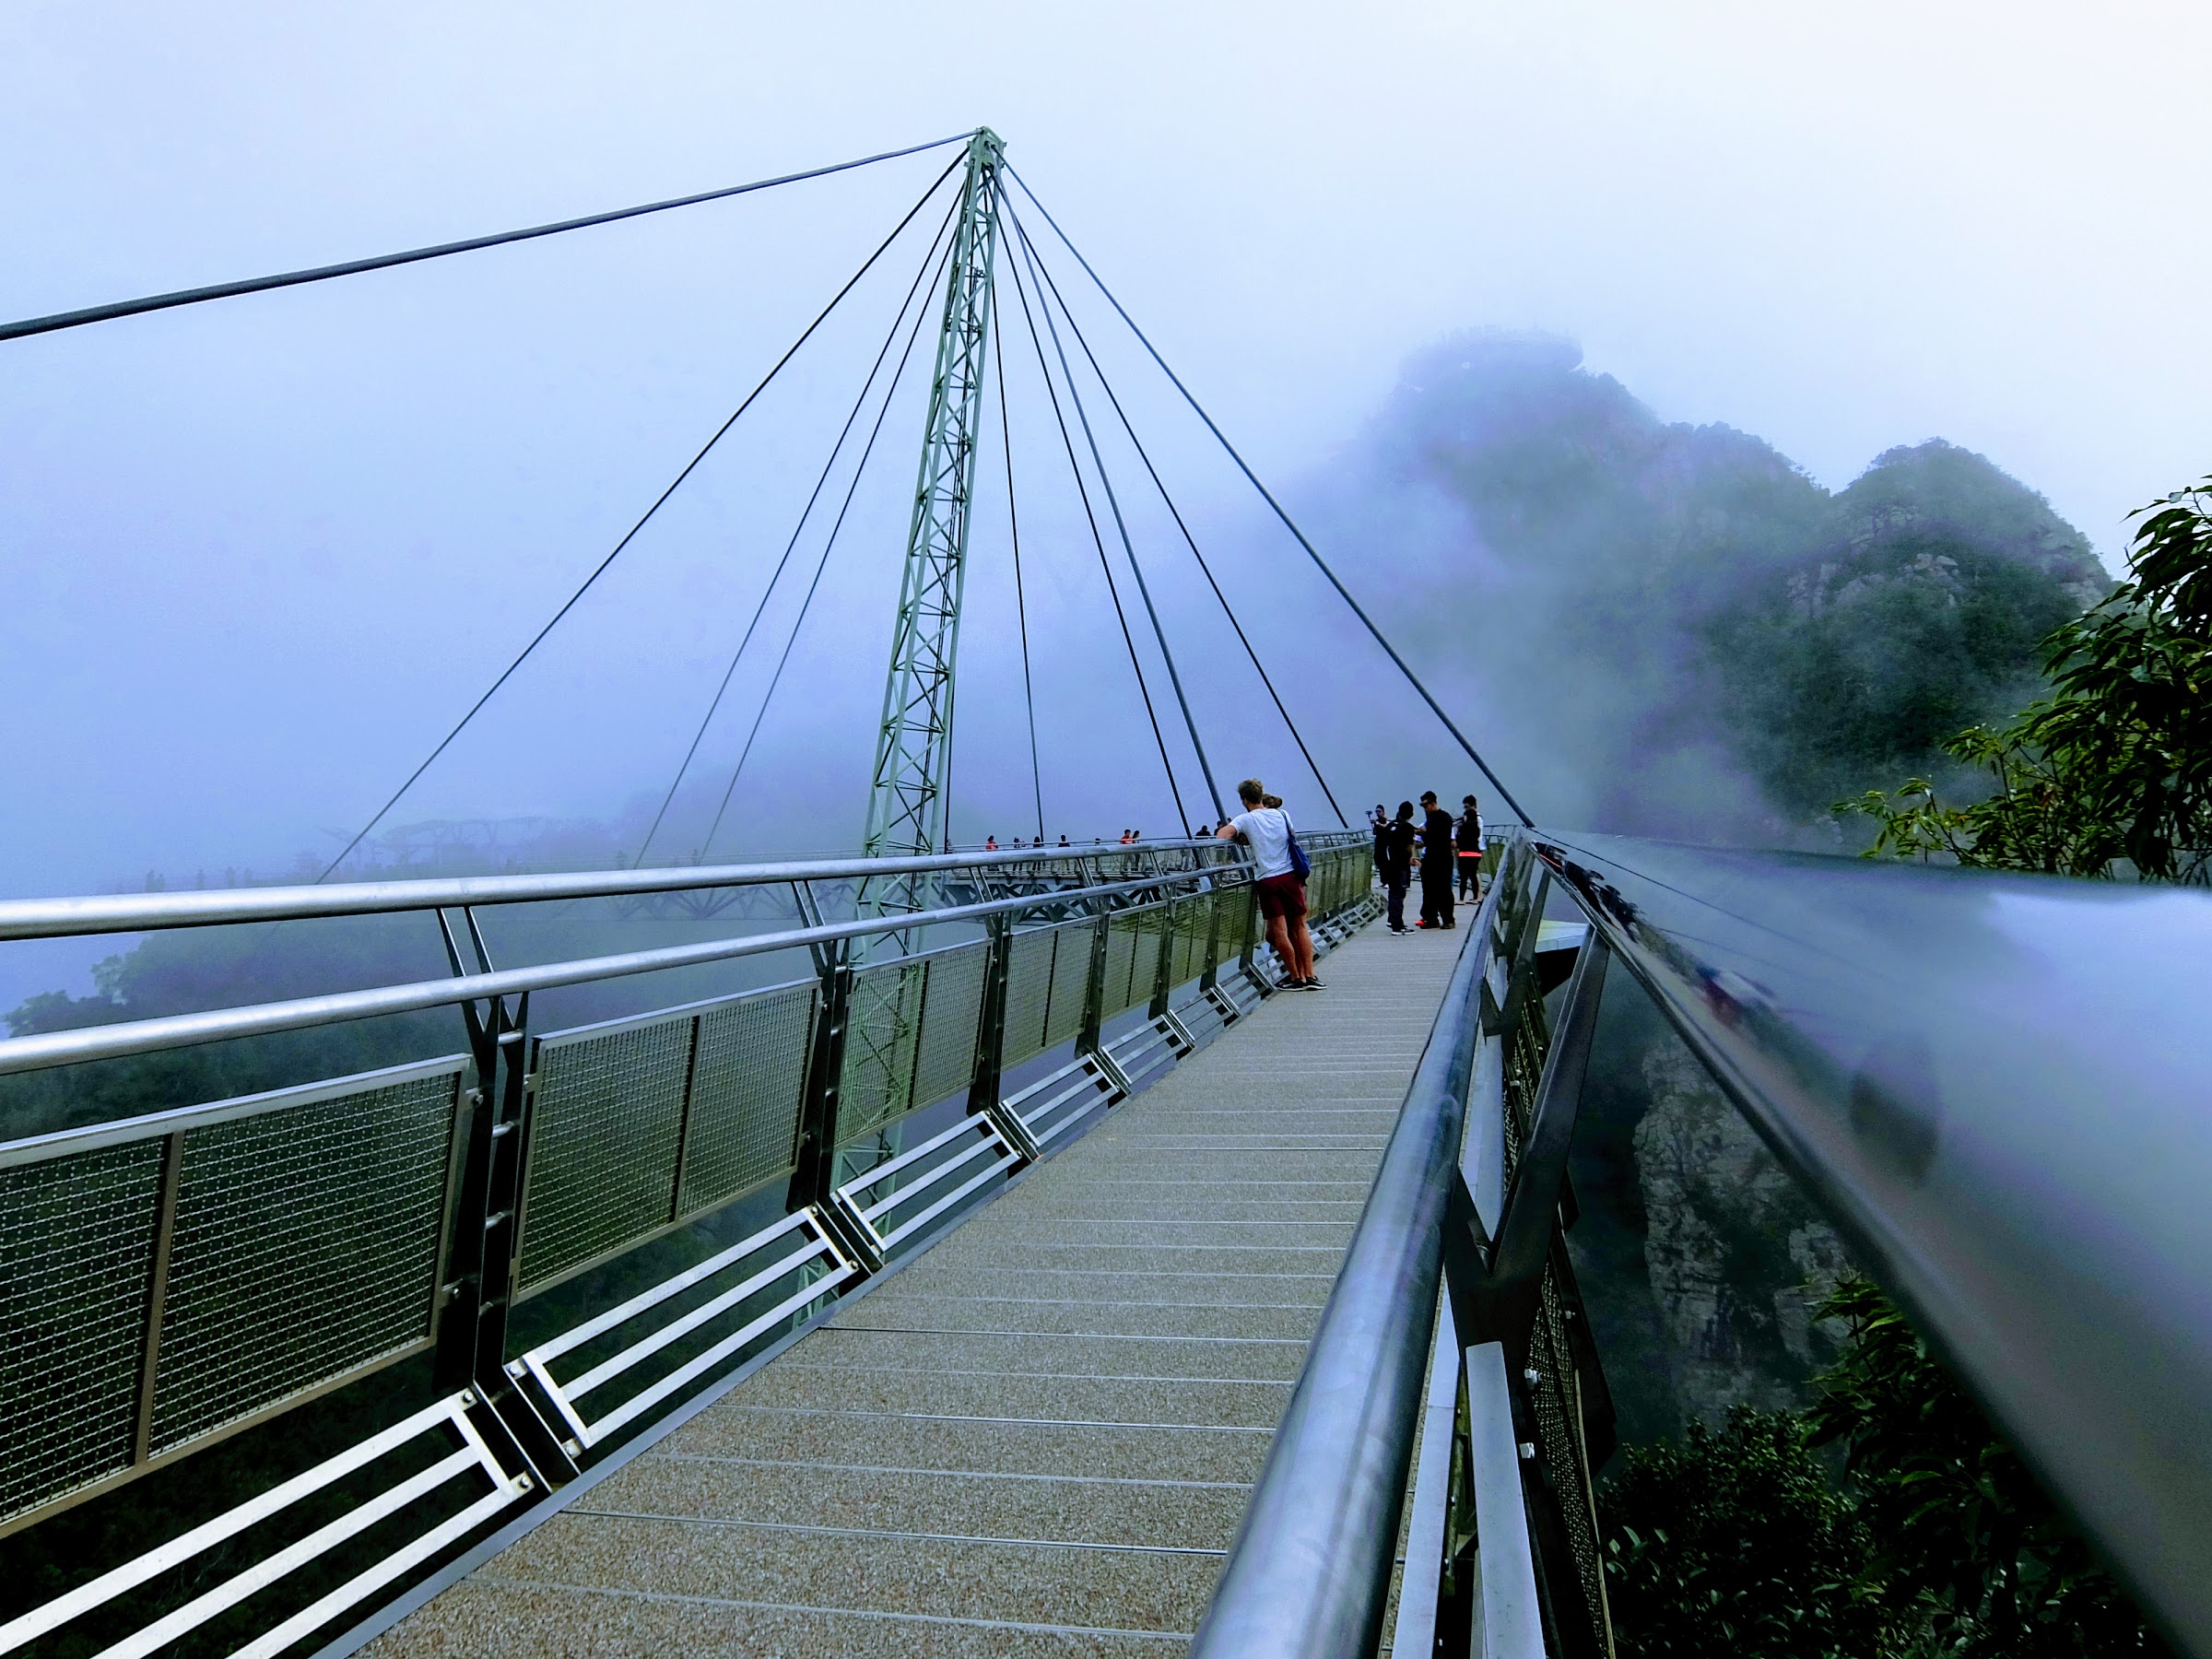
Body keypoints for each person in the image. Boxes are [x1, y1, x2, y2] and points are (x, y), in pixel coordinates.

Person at [1216, 777, 1320, 989]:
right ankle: (1310, 976)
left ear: (1245, 800)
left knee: (1279, 932)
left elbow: (1222, 836)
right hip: (1291, 877)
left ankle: (1295, 978)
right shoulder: (1283, 815)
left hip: (1268, 880)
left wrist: (1241, 837)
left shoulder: (1246, 819)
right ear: (1261, 795)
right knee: (1300, 927)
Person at [1416, 790, 1455, 929]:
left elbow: (1442, 838)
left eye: (1425, 806)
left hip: (1442, 857)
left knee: (1444, 889)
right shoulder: (1429, 819)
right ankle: (1431, 918)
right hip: (1430, 857)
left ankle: (1448, 919)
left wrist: (1426, 833)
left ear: (1432, 804)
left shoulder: (1444, 817)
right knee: (1428, 889)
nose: (1425, 809)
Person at [1380, 801, 1417, 934]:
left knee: (1393, 893)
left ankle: (1393, 920)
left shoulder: (1391, 825)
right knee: (1399, 894)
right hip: (1400, 865)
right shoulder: (1407, 827)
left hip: (1389, 863)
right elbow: (1408, 847)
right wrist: (1410, 859)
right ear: (1411, 813)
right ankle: (1397, 926)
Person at [1456, 794, 1485, 901]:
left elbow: (1459, 838)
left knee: (1464, 876)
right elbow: (1479, 835)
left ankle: (1462, 898)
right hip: (1476, 850)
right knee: (1473, 874)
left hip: (1465, 851)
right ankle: (1476, 897)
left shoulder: (1467, 823)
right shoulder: (1476, 822)